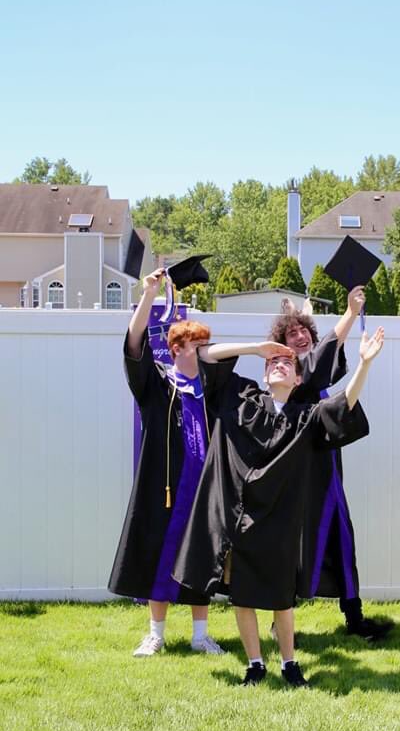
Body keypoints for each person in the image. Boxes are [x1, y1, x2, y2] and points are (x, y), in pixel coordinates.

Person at [174, 329, 385, 688]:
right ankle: (255, 664)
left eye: (288, 363)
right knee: (242, 597)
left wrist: (364, 363)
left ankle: (289, 664)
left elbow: (343, 405)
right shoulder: (240, 397)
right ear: (264, 372)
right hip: (238, 518)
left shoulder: (305, 417)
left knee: (281, 600)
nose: (279, 366)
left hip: (282, 522)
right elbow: (205, 354)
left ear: (299, 378)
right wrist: (257, 348)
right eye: (274, 363)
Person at [108, 268, 292, 657]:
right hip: (165, 489)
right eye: (196, 347)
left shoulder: (213, 391)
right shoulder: (156, 385)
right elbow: (134, 342)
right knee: (161, 555)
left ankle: (199, 635)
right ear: (176, 349)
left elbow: (218, 358)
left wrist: (256, 349)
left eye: (206, 346)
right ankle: (155, 634)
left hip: (203, 490)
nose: (205, 352)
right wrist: (149, 296)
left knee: (200, 558)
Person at [268, 292, 392, 641]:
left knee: (342, 542)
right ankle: (280, 622)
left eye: (304, 331)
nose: (301, 337)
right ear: (281, 344)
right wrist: (351, 313)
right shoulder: (292, 379)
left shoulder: (313, 376)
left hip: (329, 477)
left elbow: (328, 362)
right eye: (292, 334)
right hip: (300, 479)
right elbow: (322, 360)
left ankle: (354, 619)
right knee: (296, 546)